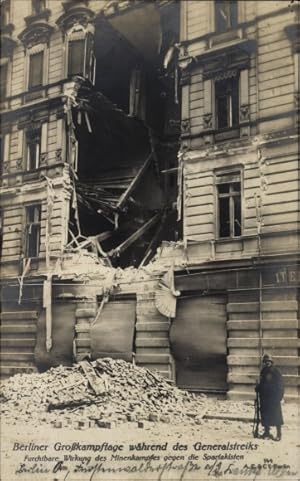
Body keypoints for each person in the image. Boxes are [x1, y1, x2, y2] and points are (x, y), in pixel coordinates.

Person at [255, 353, 284, 441]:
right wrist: (258, 388)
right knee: (265, 415)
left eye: (269, 361)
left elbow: (280, 385)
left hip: (273, 398)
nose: (267, 363)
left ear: (272, 362)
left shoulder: (276, 371)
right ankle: (267, 432)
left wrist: (279, 397)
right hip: (264, 398)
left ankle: (279, 433)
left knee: (276, 415)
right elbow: (262, 383)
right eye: (265, 361)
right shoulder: (263, 371)